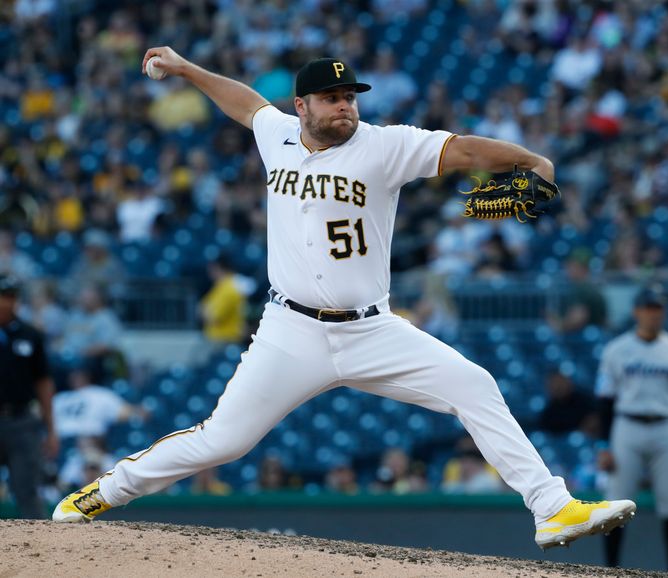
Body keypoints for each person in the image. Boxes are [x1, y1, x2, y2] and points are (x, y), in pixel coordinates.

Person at [53, 47, 636, 550]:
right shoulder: (277, 132)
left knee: (474, 385)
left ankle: (551, 507)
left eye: (350, 96)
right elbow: (246, 104)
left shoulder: (385, 147)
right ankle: (102, 492)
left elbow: (463, 151)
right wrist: (186, 70)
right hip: (290, 331)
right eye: (331, 98)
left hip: (371, 331)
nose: (345, 106)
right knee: (222, 441)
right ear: (301, 107)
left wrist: (530, 160)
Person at [595, 286, 668, 572]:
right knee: (616, 502)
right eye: (648, 308)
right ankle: (610, 569)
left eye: (658, 309)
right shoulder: (616, 350)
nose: (654, 314)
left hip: (667, 428)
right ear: (636, 311)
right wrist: (603, 445)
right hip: (626, 426)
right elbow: (605, 400)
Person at [0, 274, 58, 518]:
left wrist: (51, 430)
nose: (4, 302)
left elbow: (43, 384)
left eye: (10, 296)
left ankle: (42, 553)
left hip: (21, 422)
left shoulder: (30, 336)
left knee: (28, 491)